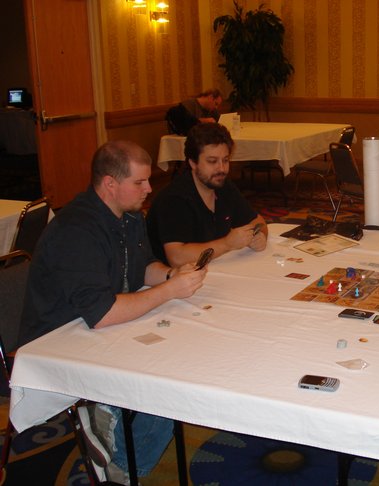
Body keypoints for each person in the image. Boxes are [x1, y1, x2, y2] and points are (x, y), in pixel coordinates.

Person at [19, 140, 208, 483]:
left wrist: (171, 276)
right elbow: (103, 314)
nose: (149, 189)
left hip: (98, 323)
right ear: (109, 183)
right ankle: (119, 463)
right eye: (140, 182)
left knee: (183, 350)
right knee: (165, 376)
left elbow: (142, 268)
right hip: (59, 339)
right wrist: (169, 291)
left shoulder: (129, 215)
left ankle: (111, 416)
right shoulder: (76, 230)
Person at [147, 123, 267, 267]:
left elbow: (257, 221)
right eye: (212, 161)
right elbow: (177, 258)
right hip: (169, 276)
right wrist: (227, 244)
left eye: (225, 160)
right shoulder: (174, 199)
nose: (221, 169)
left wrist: (259, 235)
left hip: (212, 269)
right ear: (193, 163)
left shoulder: (223, 186)